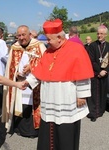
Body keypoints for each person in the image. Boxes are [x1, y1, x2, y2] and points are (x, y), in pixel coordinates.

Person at [24, 19, 94, 150]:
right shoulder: (48, 51)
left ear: (60, 38)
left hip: (66, 98)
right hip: (50, 98)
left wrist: (82, 96)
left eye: (49, 39)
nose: (47, 42)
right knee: (48, 131)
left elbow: (83, 74)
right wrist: (28, 82)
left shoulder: (76, 49)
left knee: (65, 133)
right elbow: (40, 70)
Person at [2, 25, 46, 138]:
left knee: (32, 104)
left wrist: (32, 67)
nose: (21, 38)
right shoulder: (14, 47)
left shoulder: (39, 46)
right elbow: (10, 66)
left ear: (29, 35)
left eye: (24, 35)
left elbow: (45, 64)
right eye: (19, 35)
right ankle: (18, 128)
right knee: (20, 103)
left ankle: (34, 130)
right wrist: (15, 73)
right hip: (19, 82)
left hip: (35, 84)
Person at [87, 25, 109, 122]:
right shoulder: (92, 46)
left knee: (103, 93)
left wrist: (105, 71)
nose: (99, 35)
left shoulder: (108, 46)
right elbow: (91, 61)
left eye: (101, 34)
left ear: (106, 35)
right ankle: (93, 113)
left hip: (105, 74)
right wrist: (99, 71)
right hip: (95, 74)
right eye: (98, 33)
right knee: (94, 94)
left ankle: (100, 111)